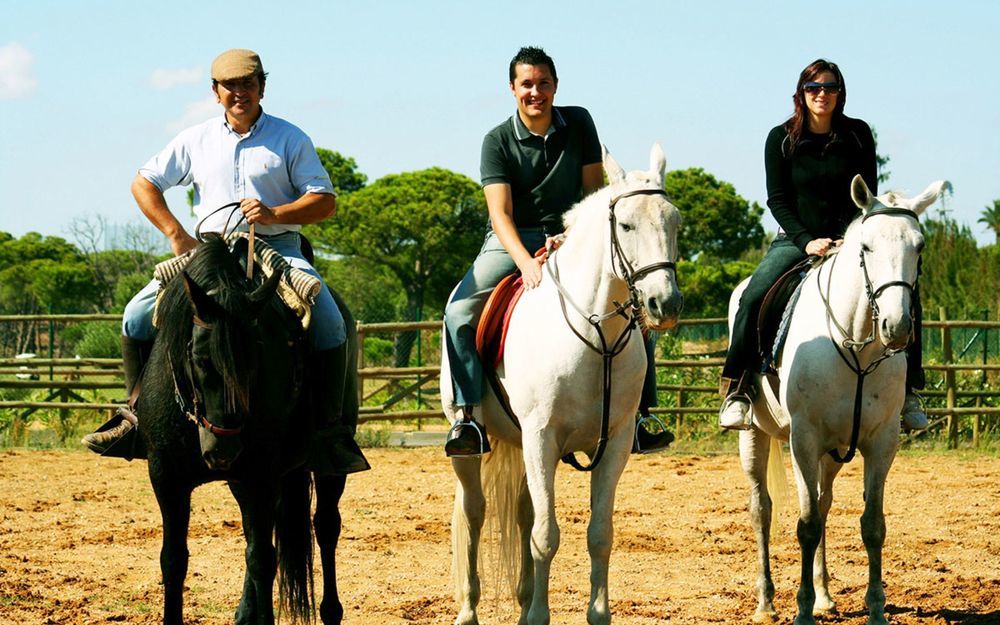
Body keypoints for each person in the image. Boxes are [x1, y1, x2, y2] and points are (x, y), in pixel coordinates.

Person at [81, 49, 370, 474]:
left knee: (329, 321)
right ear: (215, 92)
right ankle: (136, 418)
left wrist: (276, 214)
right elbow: (143, 184)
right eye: (230, 85)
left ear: (262, 87)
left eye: (248, 84)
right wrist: (176, 234)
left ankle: (329, 432)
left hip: (279, 250)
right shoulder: (194, 139)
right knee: (135, 316)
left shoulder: (291, 138)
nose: (240, 92)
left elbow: (324, 201)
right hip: (208, 254)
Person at [443, 46, 673, 456]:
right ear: (512, 89)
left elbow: (591, 195)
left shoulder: (580, 122)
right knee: (458, 313)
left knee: (635, 310)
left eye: (543, 83)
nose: (536, 92)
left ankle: (639, 415)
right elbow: (500, 214)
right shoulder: (496, 141)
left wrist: (572, 236)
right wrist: (524, 263)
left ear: (555, 86)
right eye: (527, 84)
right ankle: (469, 418)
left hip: (575, 234)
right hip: (513, 239)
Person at [718, 58, 928, 432]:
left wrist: (852, 238)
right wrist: (806, 240)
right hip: (796, 241)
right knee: (753, 296)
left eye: (830, 88)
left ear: (840, 94)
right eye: (814, 88)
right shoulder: (780, 138)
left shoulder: (859, 135)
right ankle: (738, 387)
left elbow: (868, 196)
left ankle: (910, 389)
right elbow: (777, 200)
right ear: (801, 94)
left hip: (851, 240)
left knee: (905, 292)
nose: (822, 95)